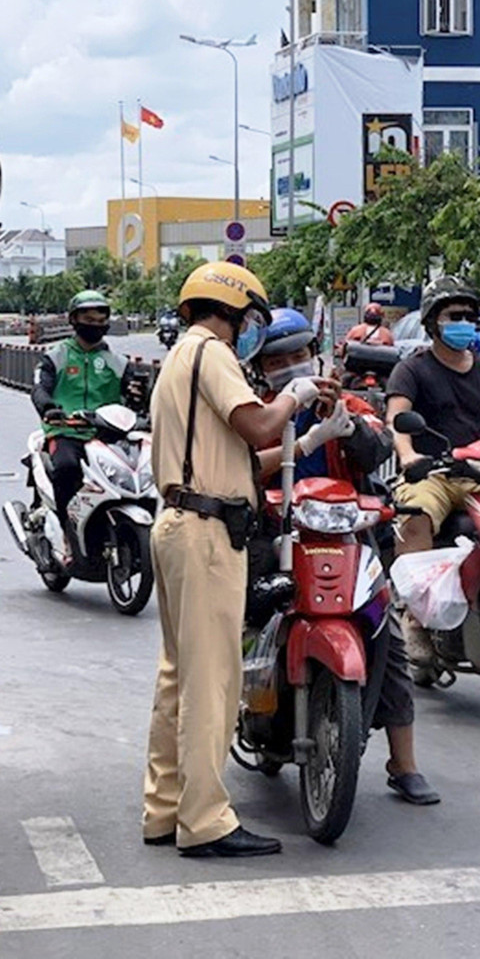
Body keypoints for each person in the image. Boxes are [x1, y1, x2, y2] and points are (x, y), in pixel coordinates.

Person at [143, 262, 331, 858]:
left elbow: (242, 465)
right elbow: (253, 427)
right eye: (251, 318)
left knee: (178, 676)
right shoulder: (214, 353)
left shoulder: (178, 359)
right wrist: (294, 397)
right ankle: (206, 821)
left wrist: (308, 444)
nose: (252, 330)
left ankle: (165, 807)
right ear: (232, 311)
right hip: (205, 535)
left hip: (179, 521)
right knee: (213, 680)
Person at [248, 309, 440, 805]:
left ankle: (404, 761)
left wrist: (346, 424)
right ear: (262, 368)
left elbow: (376, 451)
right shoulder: (257, 412)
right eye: (279, 360)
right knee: (241, 618)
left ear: (316, 356)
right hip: (276, 538)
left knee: (388, 638)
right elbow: (243, 467)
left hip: (349, 540)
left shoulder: (348, 403)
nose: (292, 367)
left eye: (299, 356)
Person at [386, 278, 480, 661]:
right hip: (433, 475)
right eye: (454, 316)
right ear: (433, 323)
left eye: (469, 316)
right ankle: (415, 618)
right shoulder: (411, 371)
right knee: (416, 513)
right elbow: (398, 421)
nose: (464, 322)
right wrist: (409, 456)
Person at [31, 290, 146, 547]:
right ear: (74, 320)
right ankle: (66, 532)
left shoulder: (118, 362)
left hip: (107, 435)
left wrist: (142, 399)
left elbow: (136, 396)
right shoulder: (55, 356)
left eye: (99, 320)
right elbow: (39, 388)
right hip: (66, 431)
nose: (94, 325)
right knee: (66, 469)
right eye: (88, 319)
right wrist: (49, 408)